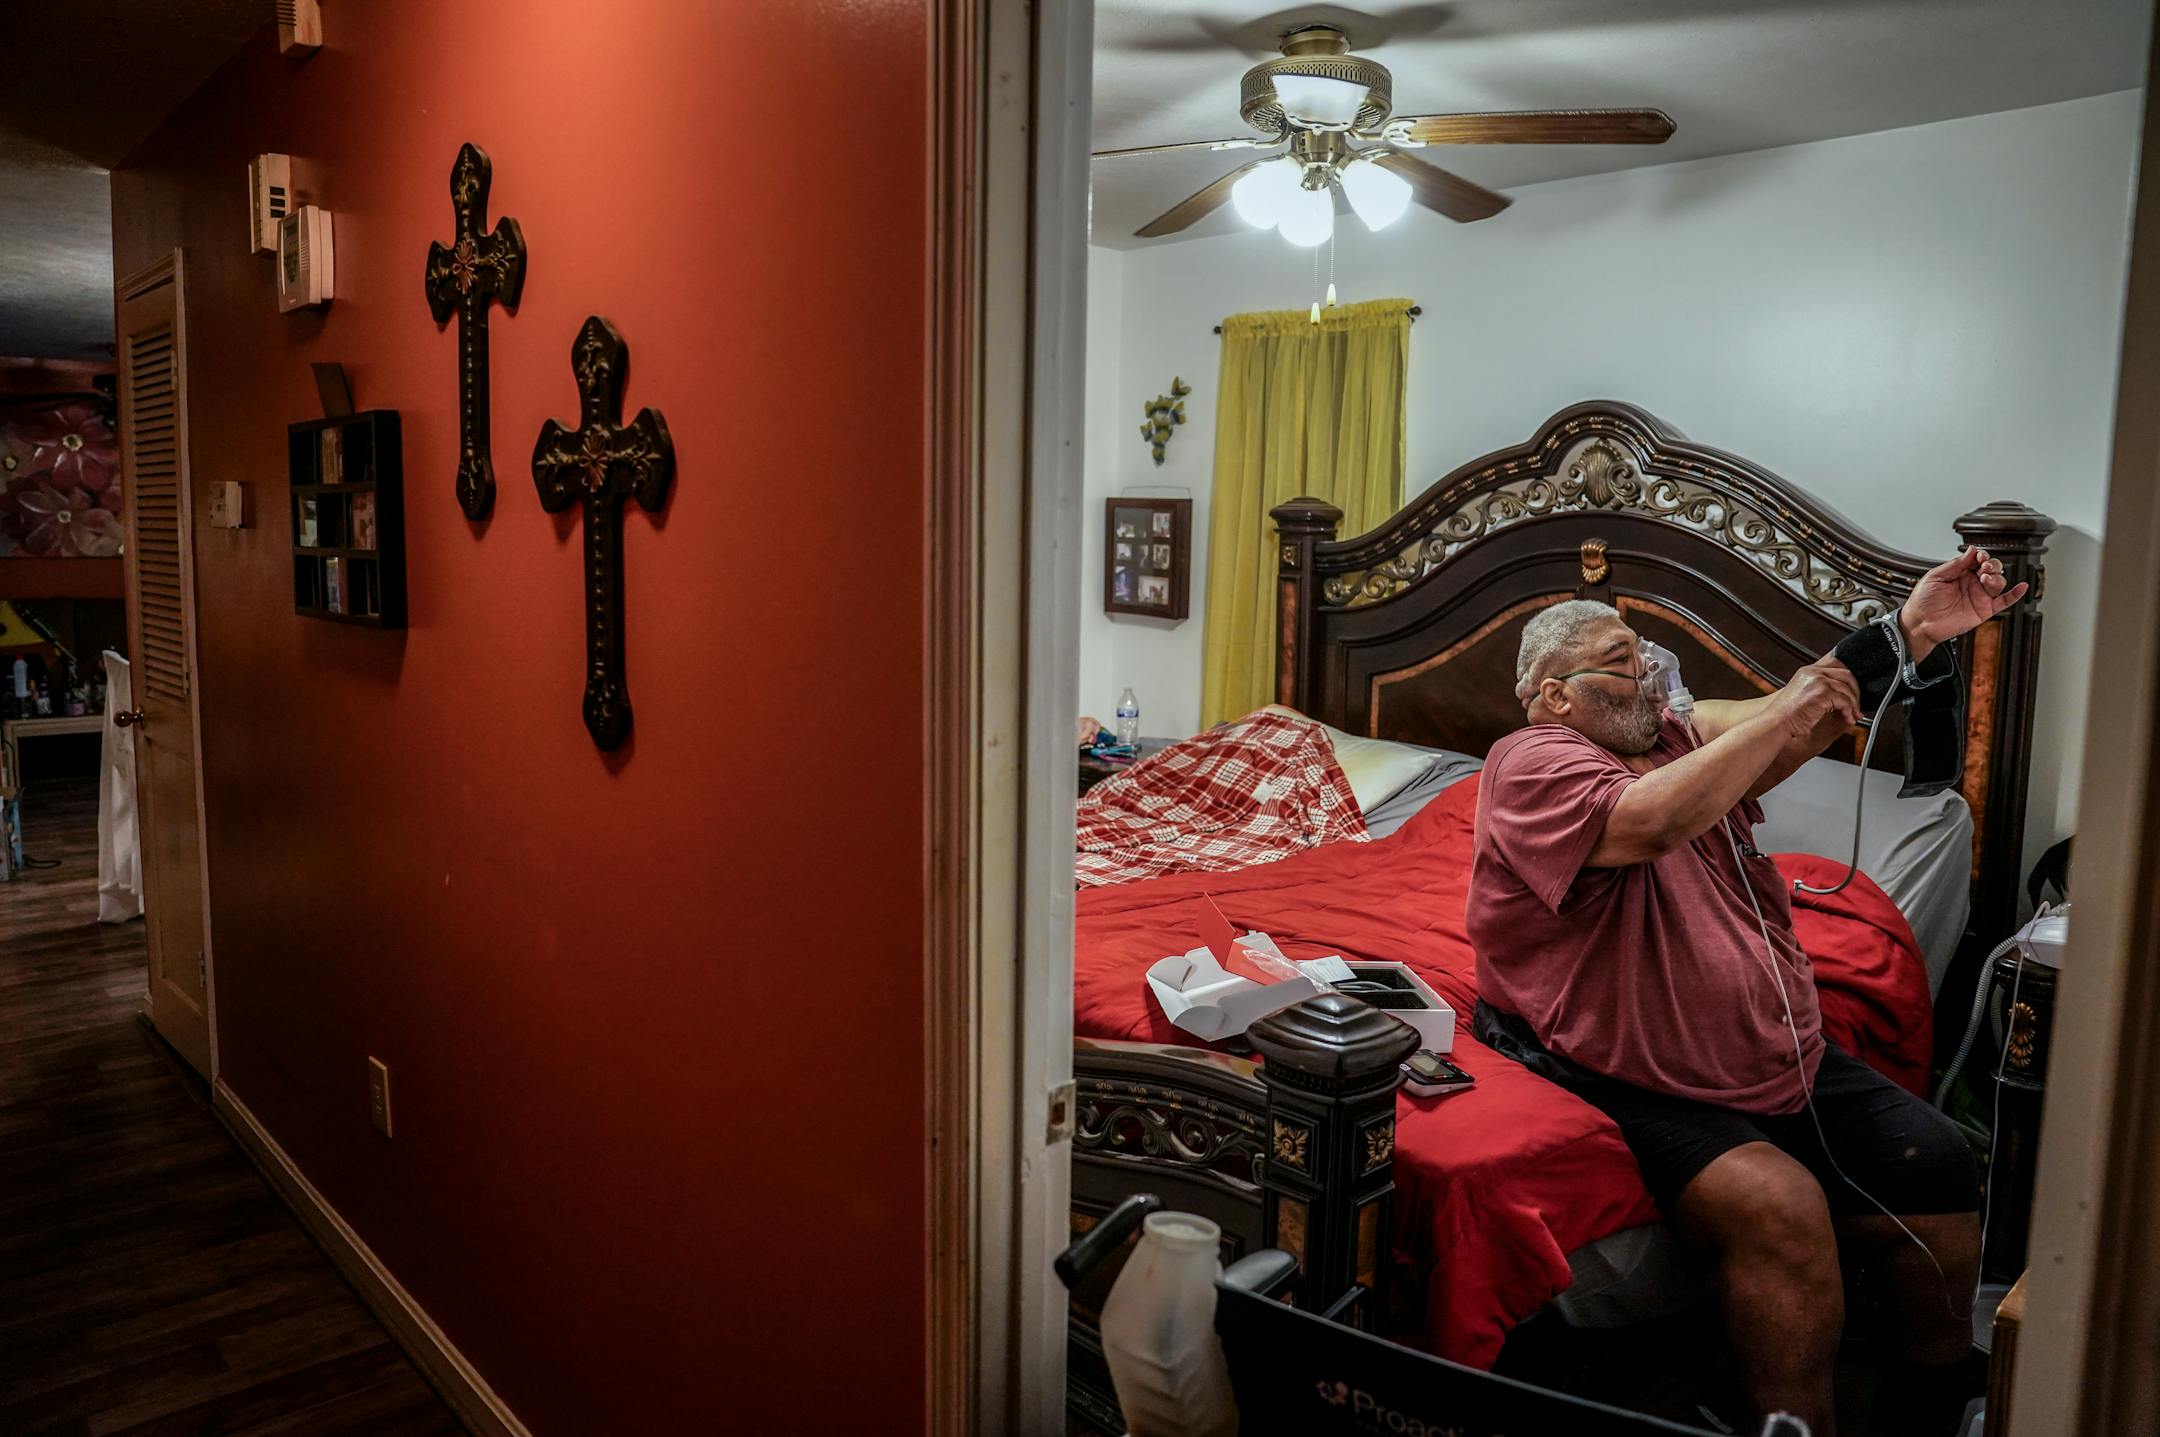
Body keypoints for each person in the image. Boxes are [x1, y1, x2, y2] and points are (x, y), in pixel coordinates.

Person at [1465, 548, 2027, 1437]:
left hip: (1772, 1052)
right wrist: (1784, 715)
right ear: (1554, 694)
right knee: (1781, 1205)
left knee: (1937, 1158)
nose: (1648, 671)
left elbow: (1784, 721)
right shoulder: (1530, 758)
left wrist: (1911, 631)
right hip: (1625, 1069)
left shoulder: (1674, 735)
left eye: (1645, 652)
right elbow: (1652, 819)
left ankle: (1930, 1404)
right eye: (1619, 660)